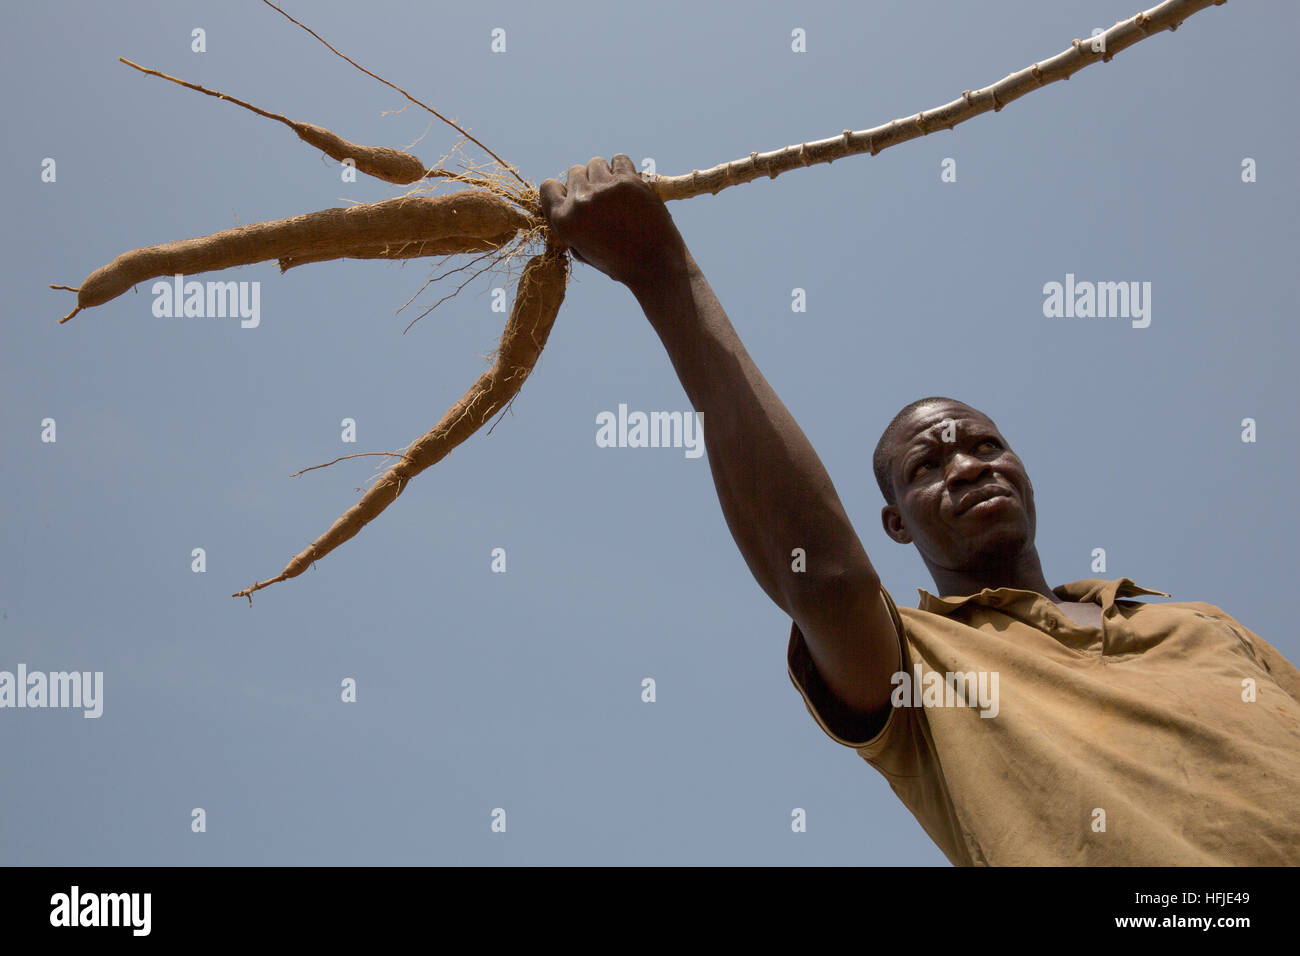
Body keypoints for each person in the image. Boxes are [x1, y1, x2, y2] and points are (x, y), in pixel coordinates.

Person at [539, 155, 1300, 866]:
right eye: (928, 466)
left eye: (986, 446)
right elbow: (824, 579)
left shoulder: (1199, 624)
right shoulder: (918, 667)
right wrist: (664, 275)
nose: (968, 465)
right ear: (896, 523)